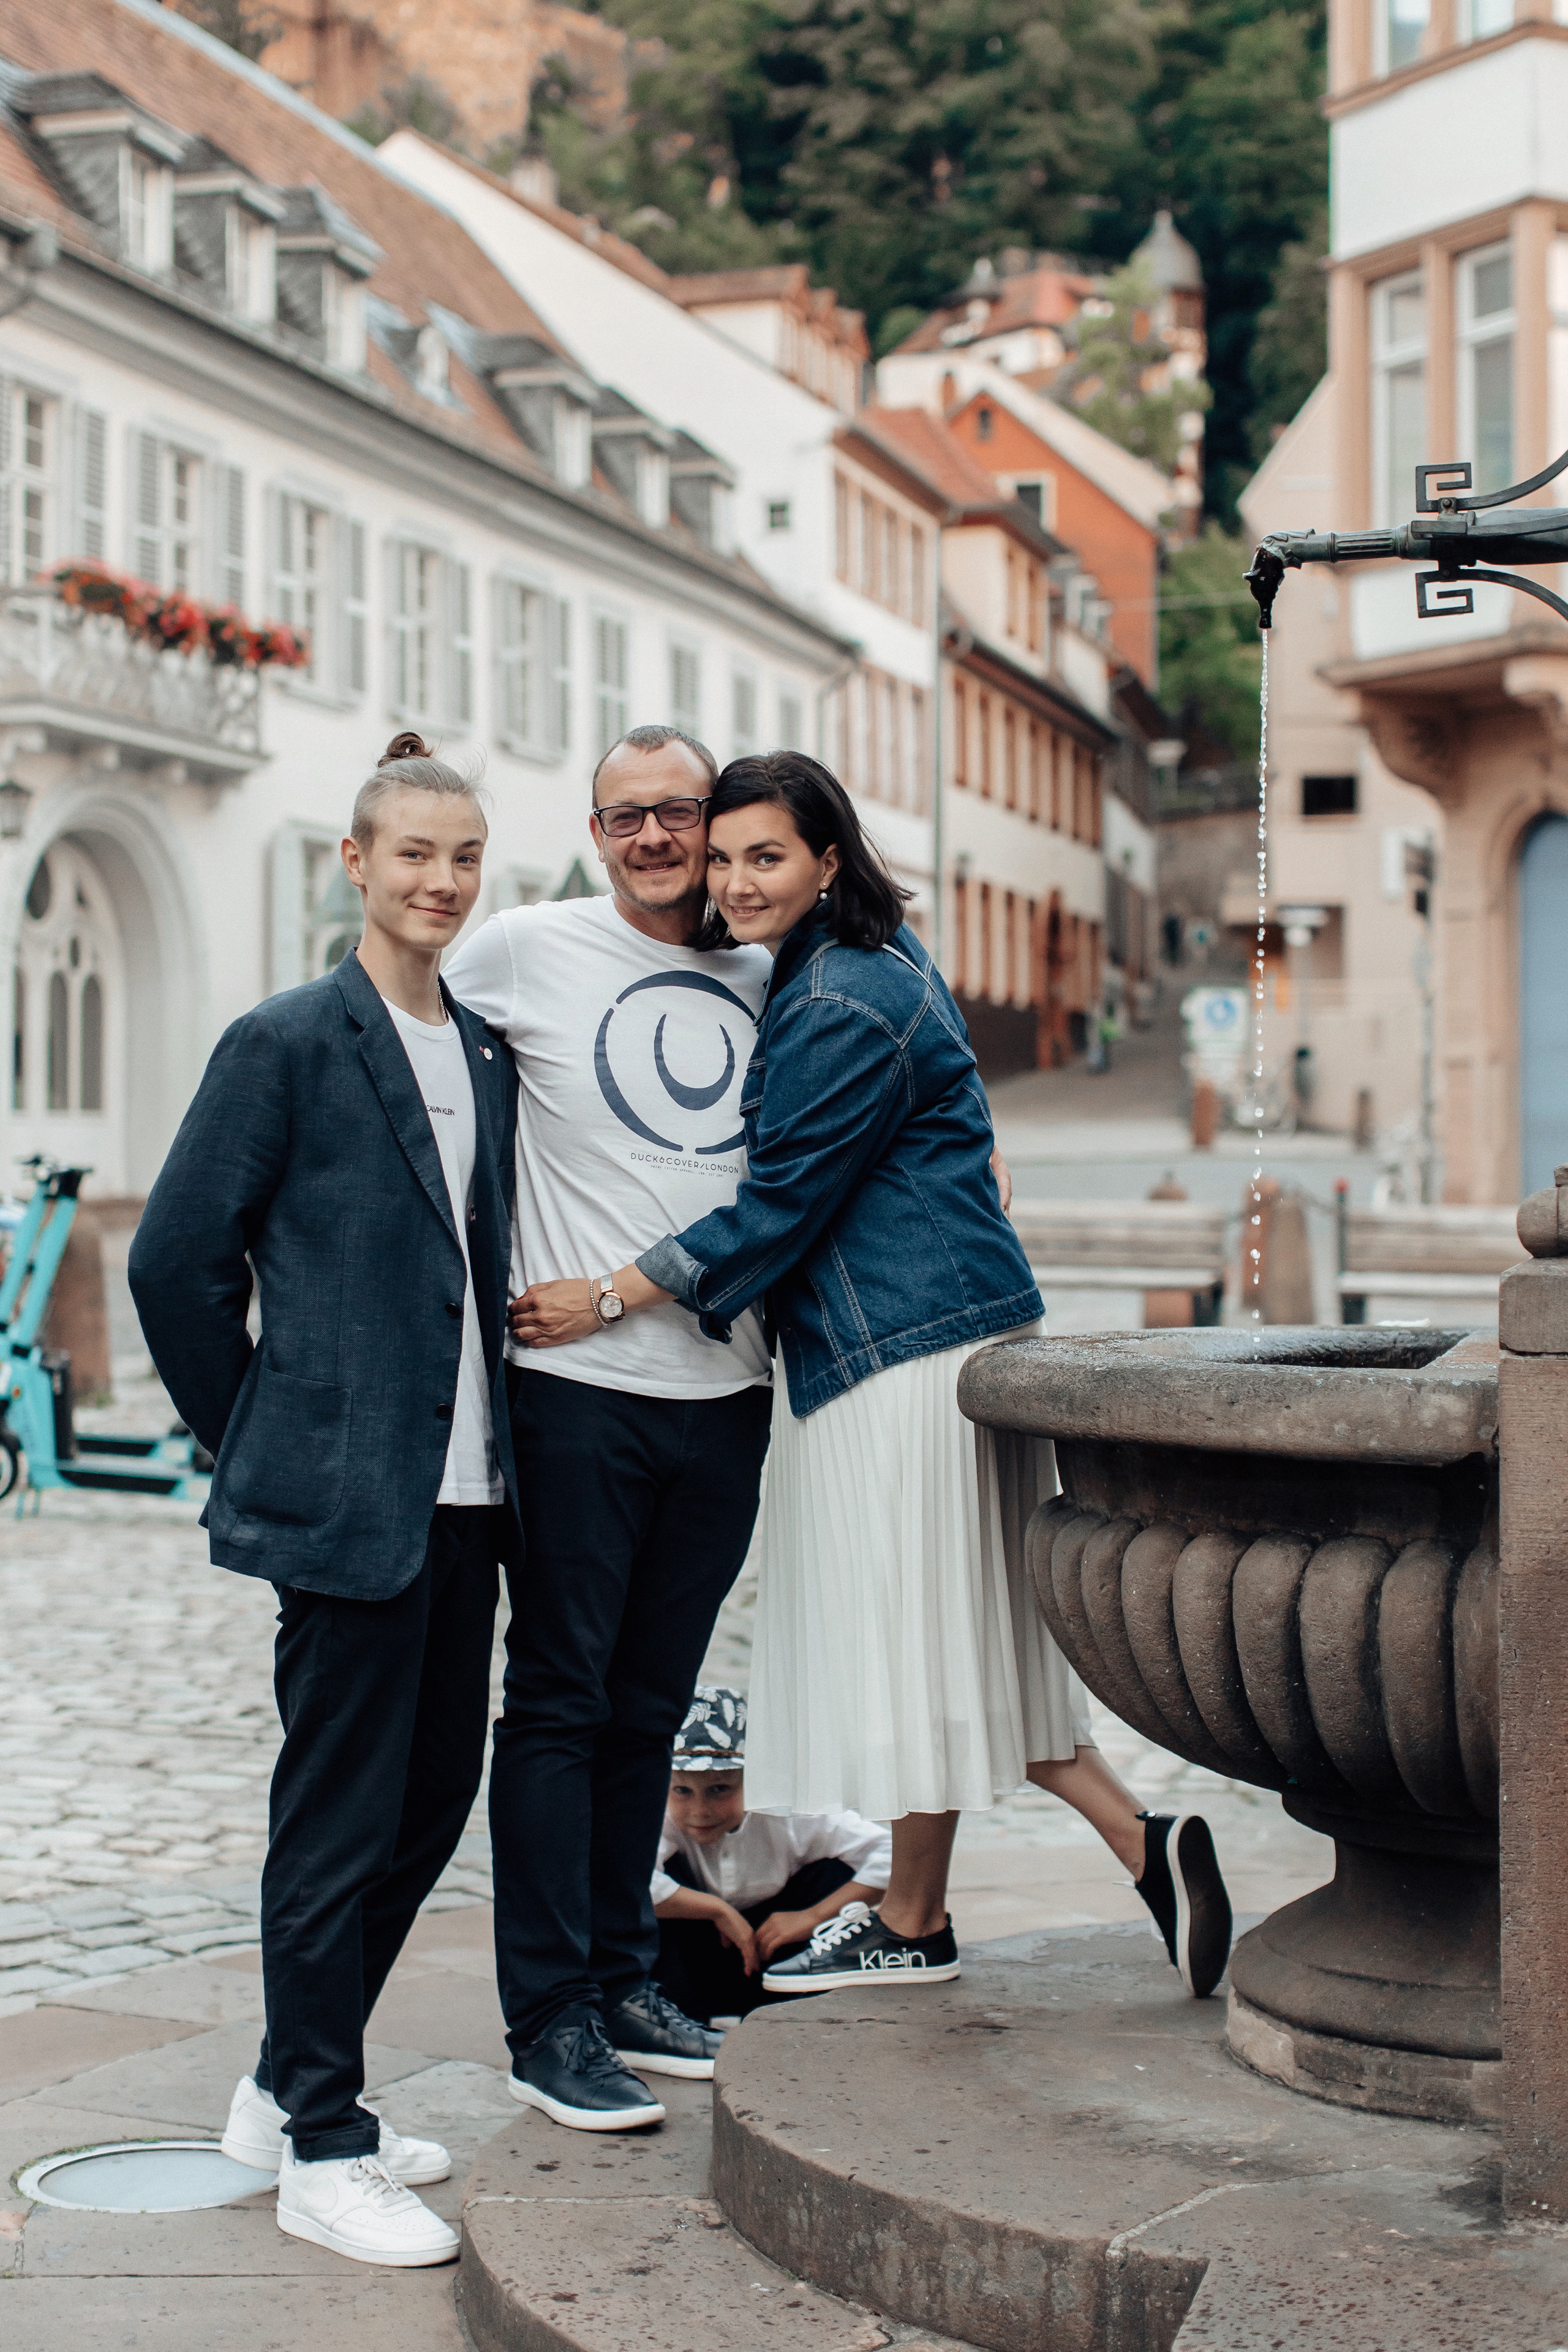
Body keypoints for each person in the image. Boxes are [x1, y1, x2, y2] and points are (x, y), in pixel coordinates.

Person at [510, 752, 1234, 2004]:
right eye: (722, 857)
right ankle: (979, 1895)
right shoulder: (868, 957)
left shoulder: (837, 996)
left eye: (764, 856)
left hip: (895, 1350)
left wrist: (611, 1293)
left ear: (827, 858)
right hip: (944, 1331)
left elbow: (780, 1206)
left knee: (913, 1631)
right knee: (950, 1631)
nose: (734, 882)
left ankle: (1025, 1877)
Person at [128, 734, 523, 2267]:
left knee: (429, 1804)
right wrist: (264, 1440)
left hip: (472, 1494)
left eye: (464, 856)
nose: (441, 880)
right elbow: (176, 1263)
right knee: (334, 1822)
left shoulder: (482, 1050)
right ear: (355, 863)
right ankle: (325, 2148)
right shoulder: (285, 1040)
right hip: (347, 1503)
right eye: (414, 853)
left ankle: (282, 2087)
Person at [442, 726, 775, 2133]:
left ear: (714, 819)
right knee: (560, 1703)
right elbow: (393, 1048)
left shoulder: (769, 967)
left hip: (729, 1394)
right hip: (574, 1390)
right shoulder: (527, 948)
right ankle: (549, 2018)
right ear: (594, 834)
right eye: (622, 816)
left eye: (675, 811)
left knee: (649, 1707)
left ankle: (625, 1979)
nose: (650, 836)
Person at [651, 1687, 891, 2027]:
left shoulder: (789, 1813)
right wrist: (716, 1910)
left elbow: (891, 1855)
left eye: (720, 1789)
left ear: (754, 1779)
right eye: (682, 1790)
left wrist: (812, 1916)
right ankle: (678, 2017)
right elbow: (626, 1884)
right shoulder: (659, 1817)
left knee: (834, 1871)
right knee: (641, 1885)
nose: (700, 1810)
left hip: (775, 1950)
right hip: (692, 1962)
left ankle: (794, 2002)